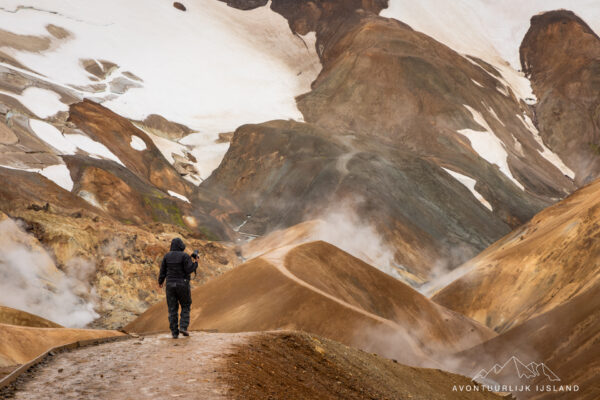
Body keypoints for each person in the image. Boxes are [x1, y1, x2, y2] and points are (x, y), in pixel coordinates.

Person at [158, 237, 198, 339]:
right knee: (185, 305)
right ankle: (183, 327)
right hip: (182, 285)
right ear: (181, 245)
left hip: (170, 285)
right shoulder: (184, 256)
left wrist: (160, 281)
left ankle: (174, 333)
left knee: (172, 309)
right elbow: (189, 269)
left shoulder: (167, 256)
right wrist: (196, 262)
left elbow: (162, 270)